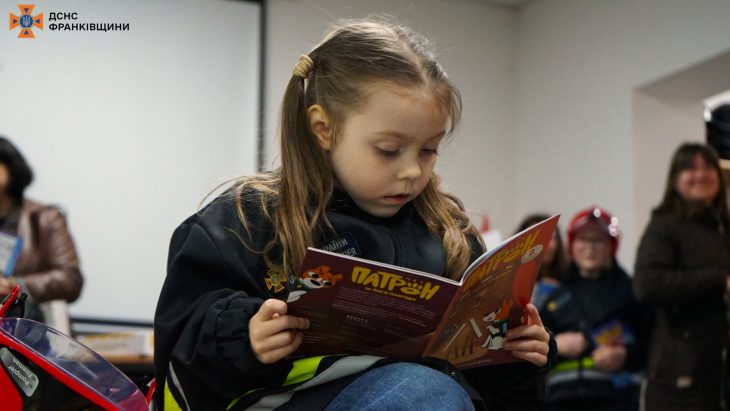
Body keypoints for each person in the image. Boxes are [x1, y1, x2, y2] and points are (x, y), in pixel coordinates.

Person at [154, 18, 556, 411]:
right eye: (388, 150)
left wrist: (517, 358)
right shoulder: (245, 221)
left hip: (429, 395)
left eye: (428, 150)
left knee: (432, 390)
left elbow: (493, 394)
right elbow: (179, 351)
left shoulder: (449, 233)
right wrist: (245, 338)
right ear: (323, 129)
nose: (412, 171)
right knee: (423, 392)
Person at [634, 142, 730, 411]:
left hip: (717, 371)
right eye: (690, 168)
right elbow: (647, 284)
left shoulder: (723, 228)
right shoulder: (664, 226)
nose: (701, 174)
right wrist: (719, 280)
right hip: (678, 375)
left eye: (708, 167)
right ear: (675, 180)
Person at [540, 206, 645, 411]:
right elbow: (532, 348)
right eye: (583, 239)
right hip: (560, 401)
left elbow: (652, 343)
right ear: (571, 245)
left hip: (617, 401)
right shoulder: (554, 295)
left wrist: (625, 355)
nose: (590, 247)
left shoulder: (631, 293)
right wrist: (555, 344)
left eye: (598, 240)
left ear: (612, 246)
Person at [0, 136, 83, 323]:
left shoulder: (44, 218)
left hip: (30, 329)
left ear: (11, 168)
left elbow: (69, 280)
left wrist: (14, 285)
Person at [514, 213, 568, 310]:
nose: (542, 244)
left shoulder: (571, 279)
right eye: (534, 238)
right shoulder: (509, 284)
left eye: (549, 237)